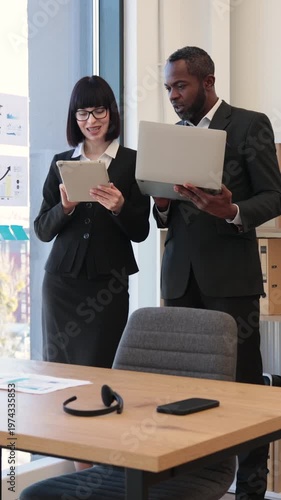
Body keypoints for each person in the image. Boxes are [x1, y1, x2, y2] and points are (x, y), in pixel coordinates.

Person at [153, 46, 281, 499]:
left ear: (207, 82)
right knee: (183, 389)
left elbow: (273, 195)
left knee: (244, 391)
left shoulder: (249, 125)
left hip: (230, 281)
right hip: (179, 280)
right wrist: (162, 205)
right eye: (168, 87)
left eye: (180, 85)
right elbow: (166, 216)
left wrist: (233, 211)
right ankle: (192, 485)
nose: (172, 95)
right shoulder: (172, 137)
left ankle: (249, 492)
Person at [35, 74, 150, 368]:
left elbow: (141, 232)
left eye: (99, 110)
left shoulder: (133, 162)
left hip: (107, 285)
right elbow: (42, 230)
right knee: (58, 369)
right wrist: (65, 208)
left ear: (111, 112)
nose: (91, 120)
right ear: (74, 118)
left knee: (102, 365)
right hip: (61, 284)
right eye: (82, 112)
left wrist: (120, 207)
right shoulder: (62, 162)